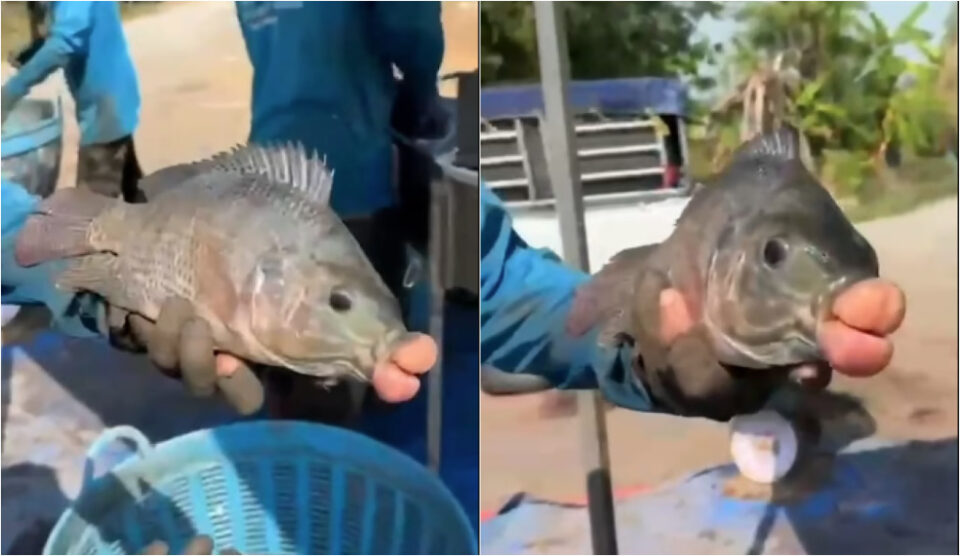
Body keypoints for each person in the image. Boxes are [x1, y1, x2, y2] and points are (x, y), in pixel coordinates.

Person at [1, 1, 144, 202]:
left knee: (86, 207)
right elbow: (73, 29)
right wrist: (35, 51)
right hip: (111, 99)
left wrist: (13, 89)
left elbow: (65, 43)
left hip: (105, 105)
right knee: (133, 187)